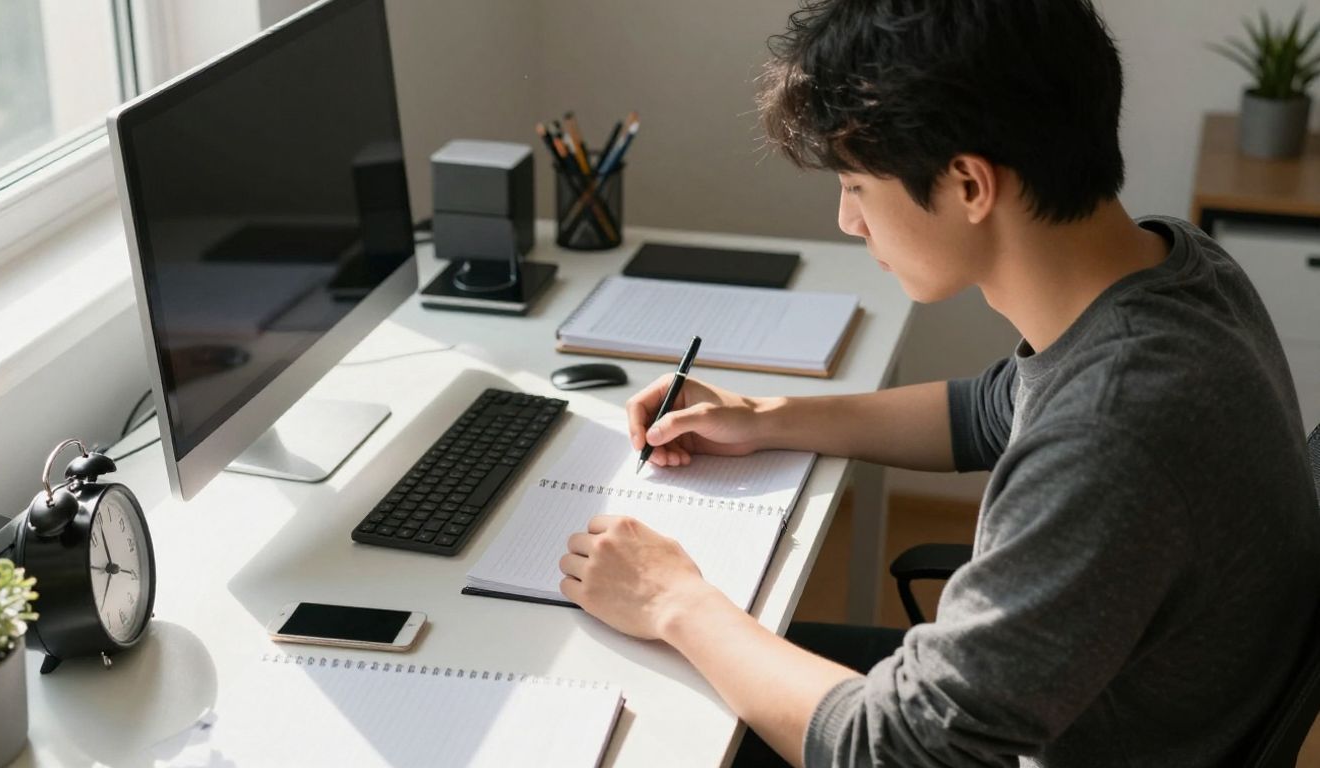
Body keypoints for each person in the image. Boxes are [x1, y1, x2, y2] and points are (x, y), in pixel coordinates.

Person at [556, 1, 1320, 766]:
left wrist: (675, 602)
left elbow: (899, 750)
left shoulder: (1113, 431)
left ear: (967, 185)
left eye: (856, 187)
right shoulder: (1177, 271)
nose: (849, 222)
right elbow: (993, 408)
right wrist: (762, 416)